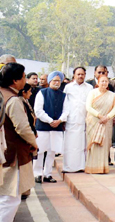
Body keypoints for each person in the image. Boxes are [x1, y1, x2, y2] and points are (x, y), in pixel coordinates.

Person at [0, 63, 37, 222]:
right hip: (13, 153)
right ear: (15, 81)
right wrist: (34, 143)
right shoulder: (13, 100)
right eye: (23, 76)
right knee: (10, 197)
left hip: (4, 149)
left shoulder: (3, 93)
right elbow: (22, 128)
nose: (25, 79)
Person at [33, 71, 69, 183]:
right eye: (54, 80)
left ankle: (48, 174)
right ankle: (37, 174)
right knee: (40, 151)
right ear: (50, 81)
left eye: (58, 81)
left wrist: (59, 120)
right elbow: (38, 110)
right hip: (43, 127)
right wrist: (50, 121)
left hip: (56, 127)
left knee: (52, 151)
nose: (56, 83)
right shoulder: (42, 93)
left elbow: (66, 110)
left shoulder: (64, 95)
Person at [85, 76, 115, 174]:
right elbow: (88, 107)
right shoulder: (92, 92)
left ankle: (102, 167)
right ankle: (91, 167)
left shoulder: (112, 95)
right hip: (94, 121)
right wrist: (99, 115)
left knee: (104, 145)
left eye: (106, 81)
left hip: (106, 122)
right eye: (102, 81)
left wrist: (107, 117)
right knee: (93, 144)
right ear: (98, 82)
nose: (104, 83)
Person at [62, 67, 93, 173]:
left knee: (82, 145)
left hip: (84, 119)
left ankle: (82, 166)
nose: (80, 76)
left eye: (82, 74)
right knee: (70, 144)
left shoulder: (89, 87)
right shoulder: (68, 87)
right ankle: (69, 167)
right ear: (74, 75)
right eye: (78, 74)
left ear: (85, 75)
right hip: (71, 119)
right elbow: (65, 104)